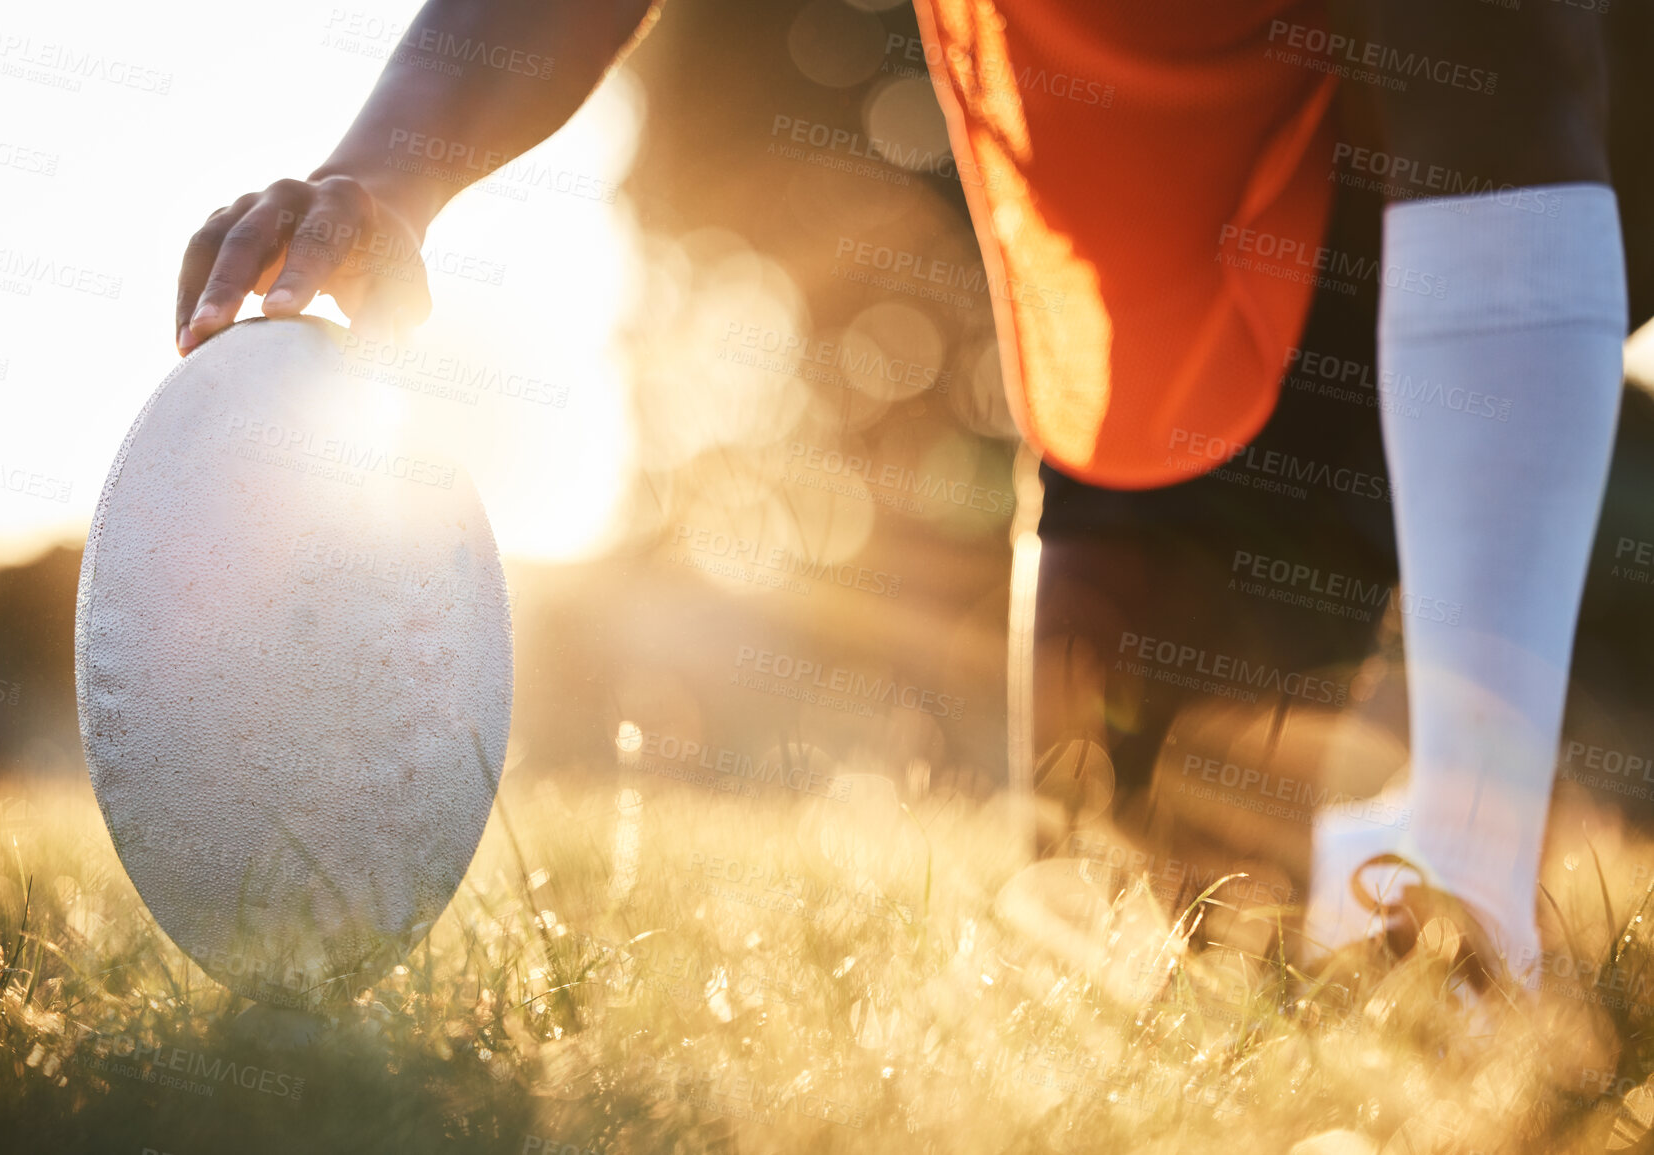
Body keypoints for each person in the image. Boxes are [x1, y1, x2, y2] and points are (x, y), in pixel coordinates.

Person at [174, 0, 1634, 991]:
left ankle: (1470, 874)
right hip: (1165, 193)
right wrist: (383, 179)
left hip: (1535, 94)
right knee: (1146, 919)